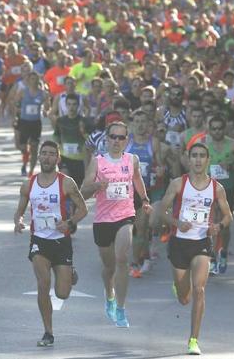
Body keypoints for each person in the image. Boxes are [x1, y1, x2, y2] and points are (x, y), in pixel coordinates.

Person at [158, 141, 232, 355]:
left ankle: (193, 340)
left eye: (202, 156)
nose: (198, 160)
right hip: (180, 242)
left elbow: (228, 216)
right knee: (184, 298)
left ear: (208, 160)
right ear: (188, 160)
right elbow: (162, 212)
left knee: (199, 290)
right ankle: (179, 287)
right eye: (194, 156)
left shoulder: (216, 188)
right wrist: (176, 223)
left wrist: (218, 226)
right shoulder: (178, 184)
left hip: (201, 243)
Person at [13, 140, 88, 347]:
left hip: (61, 241)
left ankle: (69, 274)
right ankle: (48, 332)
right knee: (43, 284)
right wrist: (19, 221)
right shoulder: (29, 184)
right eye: (43, 153)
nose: (47, 157)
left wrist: (70, 223)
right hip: (39, 241)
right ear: (39, 157)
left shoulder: (67, 183)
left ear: (58, 158)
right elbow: (19, 211)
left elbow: (83, 210)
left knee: (62, 293)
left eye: (51, 154)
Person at [81, 121, 152, 328]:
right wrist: (96, 185)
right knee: (109, 267)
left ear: (126, 140)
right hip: (103, 220)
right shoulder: (97, 161)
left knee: (122, 259)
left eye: (121, 137)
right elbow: (83, 191)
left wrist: (145, 199)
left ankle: (120, 309)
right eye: (113, 136)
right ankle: (109, 295)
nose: (116, 141)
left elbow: (137, 179)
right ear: (107, 138)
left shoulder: (132, 160)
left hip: (125, 216)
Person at [203, 114, 234, 274]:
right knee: (211, 223)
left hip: (228, 190)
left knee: (224, 225)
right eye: (213, 129)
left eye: (220, 128)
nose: (217, 131)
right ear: (209, 130)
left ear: (224, 129)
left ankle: (224, 252)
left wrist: (232, 166)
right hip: (208, 190)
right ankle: (213, 257)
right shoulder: (204, 144)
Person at [126, 110, 164, 277]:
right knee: (137, 228)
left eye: (143, 121)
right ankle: (141, 260)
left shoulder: (153, 143)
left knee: (145, 225)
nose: (140, 125)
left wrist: (161, 170)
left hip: (149, 191)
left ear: (149, 125)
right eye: (137, 121)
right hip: (130, 192)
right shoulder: (126, 142)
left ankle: (138, 260)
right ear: (132, 124)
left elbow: (160, 165)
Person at [13, 72, 51, 177]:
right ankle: (25, 161)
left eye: (35, 79)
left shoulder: (43, 93)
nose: (33, 81)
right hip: (24, 122)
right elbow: (15, 103)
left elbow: (47, 106)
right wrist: (16, 116)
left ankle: (31, 171)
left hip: (35, 123)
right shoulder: (23, 92)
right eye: (31, 79)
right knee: (23, 146)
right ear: (28, 80)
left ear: (38, 80)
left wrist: (46, 110)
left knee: (34, 147)